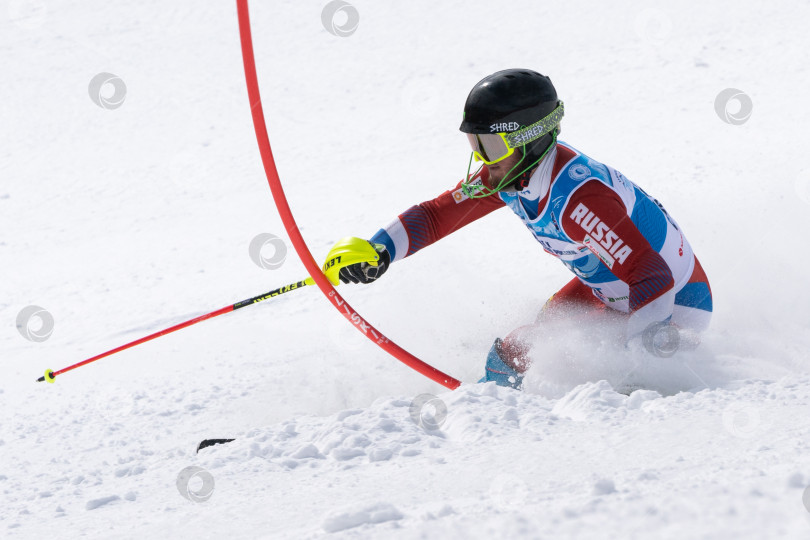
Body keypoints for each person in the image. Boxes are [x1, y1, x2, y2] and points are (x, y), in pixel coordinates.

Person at [335, 69, 712, 389]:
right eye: (476, 144)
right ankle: (498, 406)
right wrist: (378, 249)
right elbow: (438, 215)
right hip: (614, 284)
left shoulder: (578, 200)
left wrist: (640, 371)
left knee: (522, 352)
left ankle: (512, 420)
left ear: (529, 141)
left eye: (492, 146)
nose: (483, 160)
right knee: (528, 343)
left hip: (673, 305)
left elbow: (653, 275)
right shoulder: (511, 174)